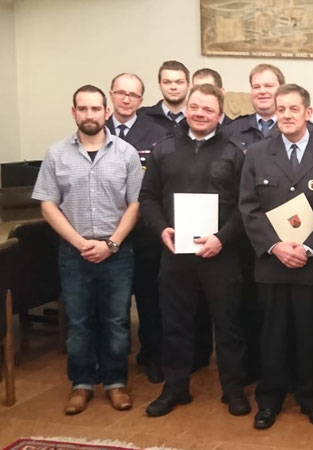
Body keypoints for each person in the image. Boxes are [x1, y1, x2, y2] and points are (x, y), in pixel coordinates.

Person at [239, 84, 313, 430]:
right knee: (271, 335)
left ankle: (311, 398)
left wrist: (309, 247)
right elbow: (249, 207)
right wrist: (276, 246)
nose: (286, 115)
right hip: (272, 263)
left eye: (293, 109)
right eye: (281, 109)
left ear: (308, 113)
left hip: (311, 264)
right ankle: (269, 400)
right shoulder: (256, 154)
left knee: (310, 334)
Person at [139, 84, 250, 418]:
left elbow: (246, 206)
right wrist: (161, 229)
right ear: (187, 108)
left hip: (222, 254)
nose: (200, 113)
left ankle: (233, 390)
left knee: (228, 326)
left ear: (219, 115)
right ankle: (175, 389)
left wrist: (222, 239)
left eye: (208, 109)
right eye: (195, 107)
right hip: (176, 254)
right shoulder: (164, 149)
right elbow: (147, 198)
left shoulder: (234, 152)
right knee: (175, 324)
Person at [32, 85, 143, 414]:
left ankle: (115, 383)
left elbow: (136, 205)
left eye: (96, 109)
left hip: (117, 252)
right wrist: (80, 243)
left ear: (106, 112)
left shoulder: (126, 153)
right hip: (74, 253)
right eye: (83, 109)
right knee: (79, 322)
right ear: (74, 112)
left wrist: (111, 244)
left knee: (116, 321)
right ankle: (81, 384)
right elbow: (48, 205)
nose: (90, 115)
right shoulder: (56, 154)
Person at [106, 73, 169, 384]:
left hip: (144, 231)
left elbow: (159, 186)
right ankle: (110, 361)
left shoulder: (157, 134)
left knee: (149, 298)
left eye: (133, 94)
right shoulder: (94, 130)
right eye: (120, 93)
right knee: (110, 303)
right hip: (105, 230)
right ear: (111, 96)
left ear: (142, 100)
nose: (126, 99)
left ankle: (152, 355)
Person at [225, 63, 313, 151]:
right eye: (256, 87)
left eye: (268, 86)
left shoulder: (306, 129)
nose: (262, 91)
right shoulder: (233, 129)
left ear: (281, 89)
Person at [140, 60, 190, 131]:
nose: (173, 87)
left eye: (179, 82)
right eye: (167, 82)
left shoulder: (200, 118)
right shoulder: (142, 116)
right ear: (160, 86)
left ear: (188, 85)